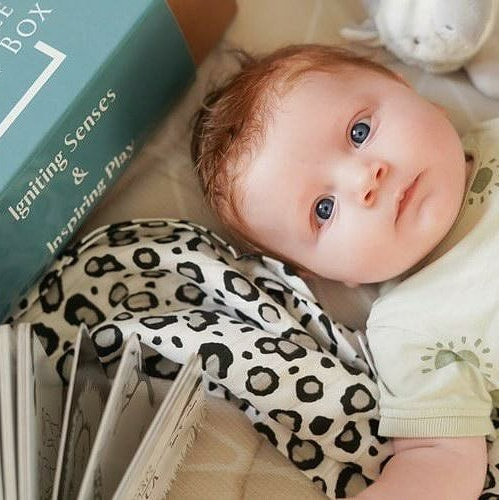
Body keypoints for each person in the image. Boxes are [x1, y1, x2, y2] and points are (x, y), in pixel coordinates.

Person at [191, 44, 498, 499]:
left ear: (410, 91)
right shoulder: (409, 328)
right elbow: (442, 460)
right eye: (324, 209)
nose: (364, 180)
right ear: (324, 273)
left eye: (359, 131)